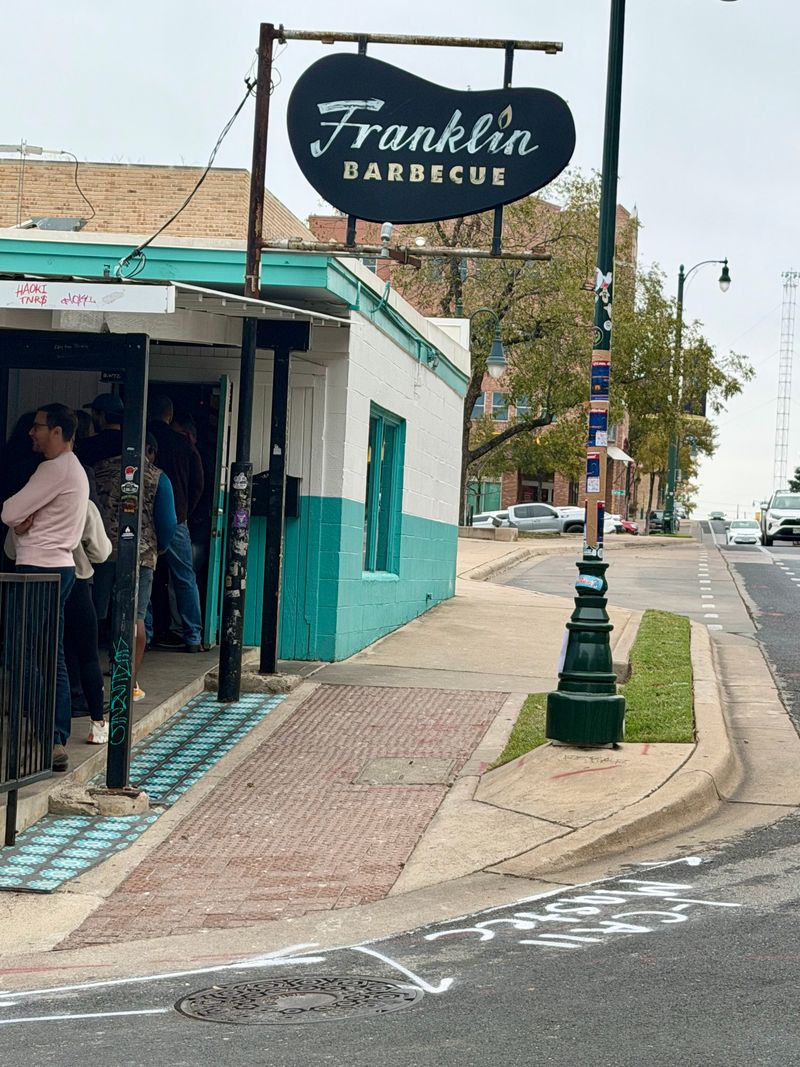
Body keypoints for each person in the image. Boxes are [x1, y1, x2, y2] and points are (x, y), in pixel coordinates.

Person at [1, 404, 89, 772]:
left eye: (38, 427)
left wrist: (22, 521)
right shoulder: (76, 470)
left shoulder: (53, 469)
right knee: (50, 653)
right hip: (62, 567)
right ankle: (55, 736)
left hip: (38, 567)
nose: (31, 433)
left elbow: (8, 511)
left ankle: (43, 729)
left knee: (22, 653)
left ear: (57, 431)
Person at [93, 432, 177, 702]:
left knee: (95, 615)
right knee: (136, 617)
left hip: (100, 552)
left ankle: (88, 679)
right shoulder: (157, 477)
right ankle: (127, 682)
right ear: (149, 450)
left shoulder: (100, 469)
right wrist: (158, 547)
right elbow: (168, 523)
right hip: (141, 555)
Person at [148, 394, 205, 652]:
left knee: (142, 575)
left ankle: (145, 632)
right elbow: (198, 484)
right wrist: (184, 512)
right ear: (169, 416)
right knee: (184, 577)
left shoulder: (143, 438)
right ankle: (193, 635)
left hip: (143, 518)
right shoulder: (184, 445)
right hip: (178, 519)